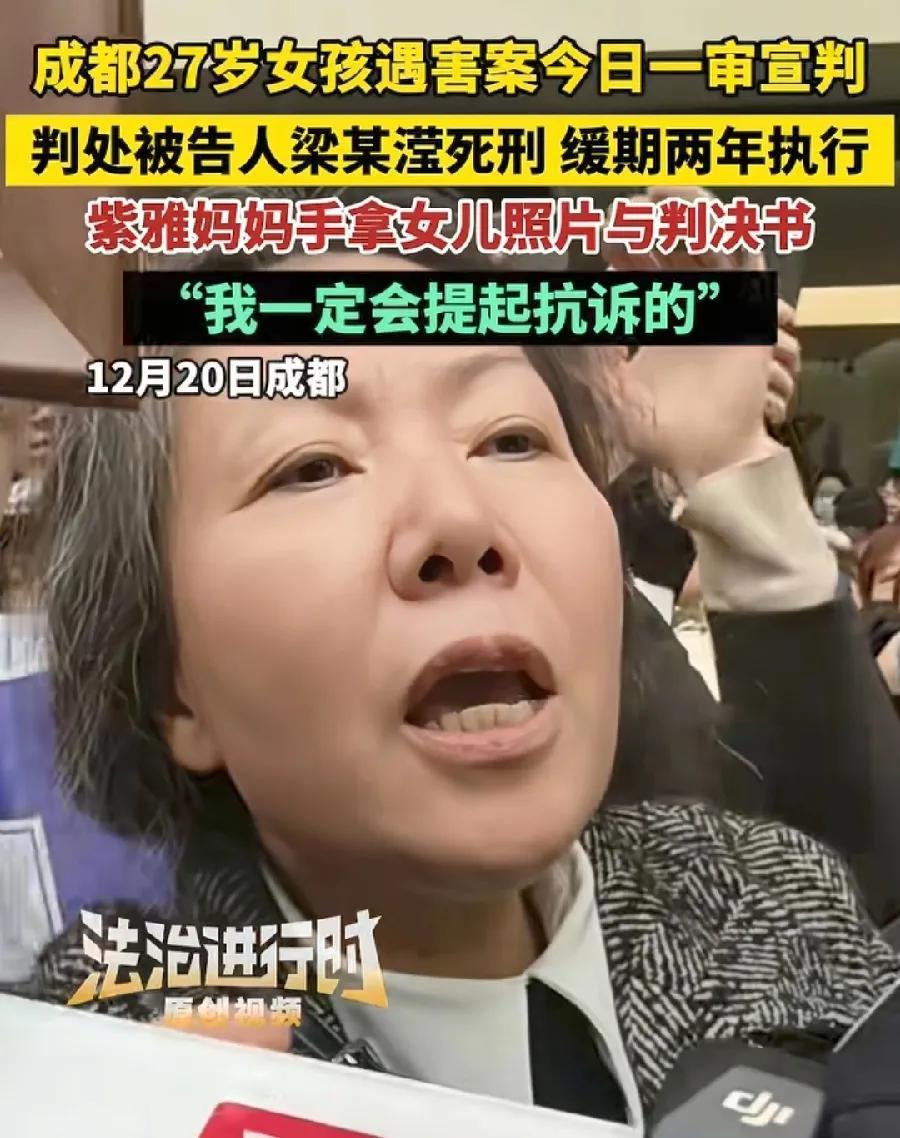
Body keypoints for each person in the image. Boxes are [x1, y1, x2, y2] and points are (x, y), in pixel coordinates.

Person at [11, 205, 900, 1130]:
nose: (460, 521)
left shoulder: (767, 895)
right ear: (172, 685)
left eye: (510, 439)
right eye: (312, 467)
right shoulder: (86, 1067)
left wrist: (728, 458)